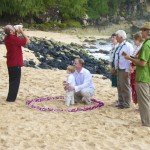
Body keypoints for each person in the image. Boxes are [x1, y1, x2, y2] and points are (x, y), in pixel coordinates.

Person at [123, 22, 150, 127]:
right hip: (147, 76)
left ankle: (147, 123)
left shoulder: (147, 45)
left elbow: (143, 63)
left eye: (142, 30)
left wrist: (130, 58)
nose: (141, 32)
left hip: (143, 76)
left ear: (147, 31)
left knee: (144, 102)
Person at [4, 25, 30, 102]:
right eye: (12, 28)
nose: (13, 28)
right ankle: (11, 99)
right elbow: (27, 40)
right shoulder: (13, 39)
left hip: (10, 62)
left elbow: (15, 36)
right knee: (15, 81)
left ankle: (10, 98)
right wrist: (21, 31)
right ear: (11, 31)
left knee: (12, 80)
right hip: (15, 63)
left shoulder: (7, 38)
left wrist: (17, 31)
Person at [114, 30, 134, 109]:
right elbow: (117, 57)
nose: (116, 37)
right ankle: (121, 101)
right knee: (119, 86)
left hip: (124, 69)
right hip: (119, 68)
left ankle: (126, 103)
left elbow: (130, 58)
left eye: (117, 36)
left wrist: (128, 70)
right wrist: (115, 68)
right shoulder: (118, 45)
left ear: (121, 37)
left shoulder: (128, 46)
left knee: (125, 86)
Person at [130, 33, 143, 104]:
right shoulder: (136, 48)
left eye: (134, 40)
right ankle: (138, 103)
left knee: (137, 87)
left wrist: (134, 68)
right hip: (133, 69)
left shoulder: (141, 48)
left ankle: (140, 104)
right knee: (134, 87)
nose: (134, 41)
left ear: (138, 39)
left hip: (136, 70)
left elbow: (140, 61)